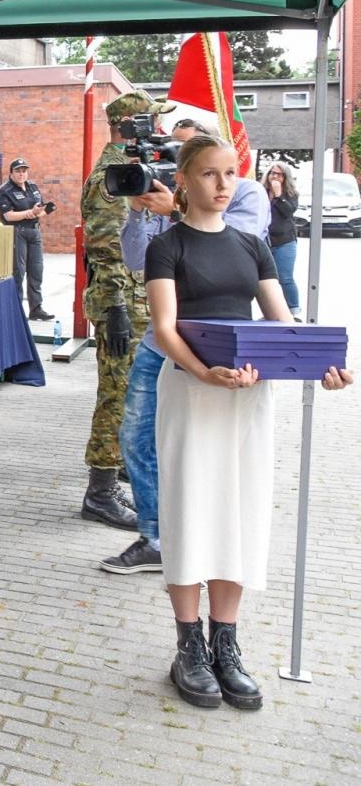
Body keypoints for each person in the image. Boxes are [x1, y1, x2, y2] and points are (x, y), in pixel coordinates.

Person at [144, 135, 352, 710]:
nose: (222, 184)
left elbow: (283, 325)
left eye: (230, 173)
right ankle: (188, 647)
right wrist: (203, 372)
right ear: (183, 180)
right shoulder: (167, 246)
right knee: (190, 510)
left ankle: (225, 644)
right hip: (192, 391)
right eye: (209, 174)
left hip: (249, 395)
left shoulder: (252, 244)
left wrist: (321, 367)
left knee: (240, 512)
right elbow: (165, 328)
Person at [100, 115, 270, 576]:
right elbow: (136, 258)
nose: (219, 180)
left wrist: (173, 211)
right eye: (171, 150)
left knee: (206, 451)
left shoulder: (247, 193)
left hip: (218, 348)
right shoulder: (163, 197)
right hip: (161, 342)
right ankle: (156, 537)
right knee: (136, 438)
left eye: (181, 148)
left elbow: (227, 239)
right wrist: (139, 211)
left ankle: (204, 543)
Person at [79, 92, 160, 532]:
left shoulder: (131, 168)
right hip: (121, 301)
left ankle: (117, 473)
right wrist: (114, 307)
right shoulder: (112, 176)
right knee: (117, 396)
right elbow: (106, 245)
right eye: (148, 120)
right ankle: (100, 494)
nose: (156, 128)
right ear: (127, 123)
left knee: (128, 394)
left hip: (135, 298)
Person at [0, 157, 52, 320]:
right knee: (18, 272)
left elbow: (39, 208)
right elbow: (8, 215)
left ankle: (36, 308)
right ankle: (16, 311)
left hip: (34, 231)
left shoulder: (32, 186)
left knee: (36, 271)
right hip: (17, 232)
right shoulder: (4, 191)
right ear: (11, 173)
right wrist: (30, 213)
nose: (21, 174)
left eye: (24, 171)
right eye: (18, 171)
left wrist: (44, 211)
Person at [263, 163, 301, 317]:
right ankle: (271, 313)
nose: (275, 177)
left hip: (285, 241)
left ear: (285, 177)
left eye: (279, 174)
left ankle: (293, 310)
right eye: (272, 173)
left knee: (285, 277)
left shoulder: (290, 194)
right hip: (265, 241)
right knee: (267, 280)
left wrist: (279, 196)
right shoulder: (261, 192)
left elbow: (288, 212)